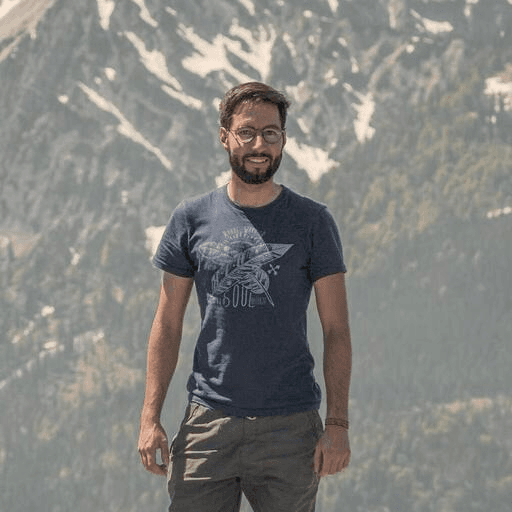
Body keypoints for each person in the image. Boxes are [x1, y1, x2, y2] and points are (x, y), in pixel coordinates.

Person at [138, 82, 352, 512]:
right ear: (225, 136)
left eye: (271, 133)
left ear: (284, 139)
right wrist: (149, 418)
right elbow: (167, 323)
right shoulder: (190, 218)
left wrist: (338, 424)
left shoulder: (313, 222)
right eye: (247, 132)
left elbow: (336, 328)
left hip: (291, 428)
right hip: (207, 422)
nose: (260, 144)